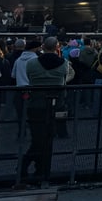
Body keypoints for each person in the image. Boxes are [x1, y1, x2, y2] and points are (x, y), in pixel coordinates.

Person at [21, 37, 73, 185]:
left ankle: (33, 167)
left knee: (38, 138)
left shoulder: (31, 64)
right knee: (47, 139)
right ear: (57, 47)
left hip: (36, 105)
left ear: (43, 46)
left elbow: (30, 78)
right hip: (55, 105)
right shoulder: (64, 64)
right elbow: (64, 81)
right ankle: (38, 169)